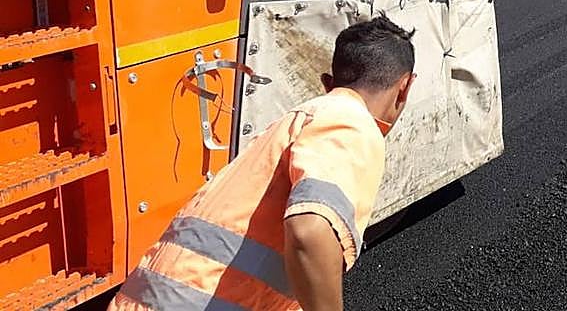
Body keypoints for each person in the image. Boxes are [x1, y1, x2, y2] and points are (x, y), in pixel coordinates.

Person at [110, 16, 417, 311]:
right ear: (404, 87)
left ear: (327, 82)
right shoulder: (351, 121)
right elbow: (309, 230)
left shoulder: (296, 122)